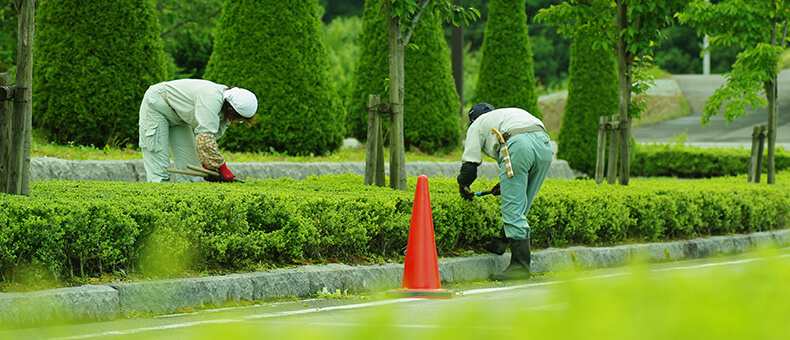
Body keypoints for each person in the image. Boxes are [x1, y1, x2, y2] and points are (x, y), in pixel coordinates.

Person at [457, 103, 553, 280]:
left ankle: (520, 266)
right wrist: (508, 184)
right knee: (522, 201)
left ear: (472, 120)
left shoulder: (476, 125)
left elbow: (469, 166)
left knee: (512, 208)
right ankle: (500, 242)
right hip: (545, 144)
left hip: (518, 145)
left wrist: (463, 187)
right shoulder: (505, 115)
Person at [138, 79, 258, 183]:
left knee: (190, 173)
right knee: (159, 171)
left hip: (179, 116)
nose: (237, 121)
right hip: (157, 106)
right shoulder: (211, 99)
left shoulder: (225, 109)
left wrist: (208, 166)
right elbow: (205, 137)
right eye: (239, 119)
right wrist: (221, 167)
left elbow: (210, 140)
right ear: (231, 109)